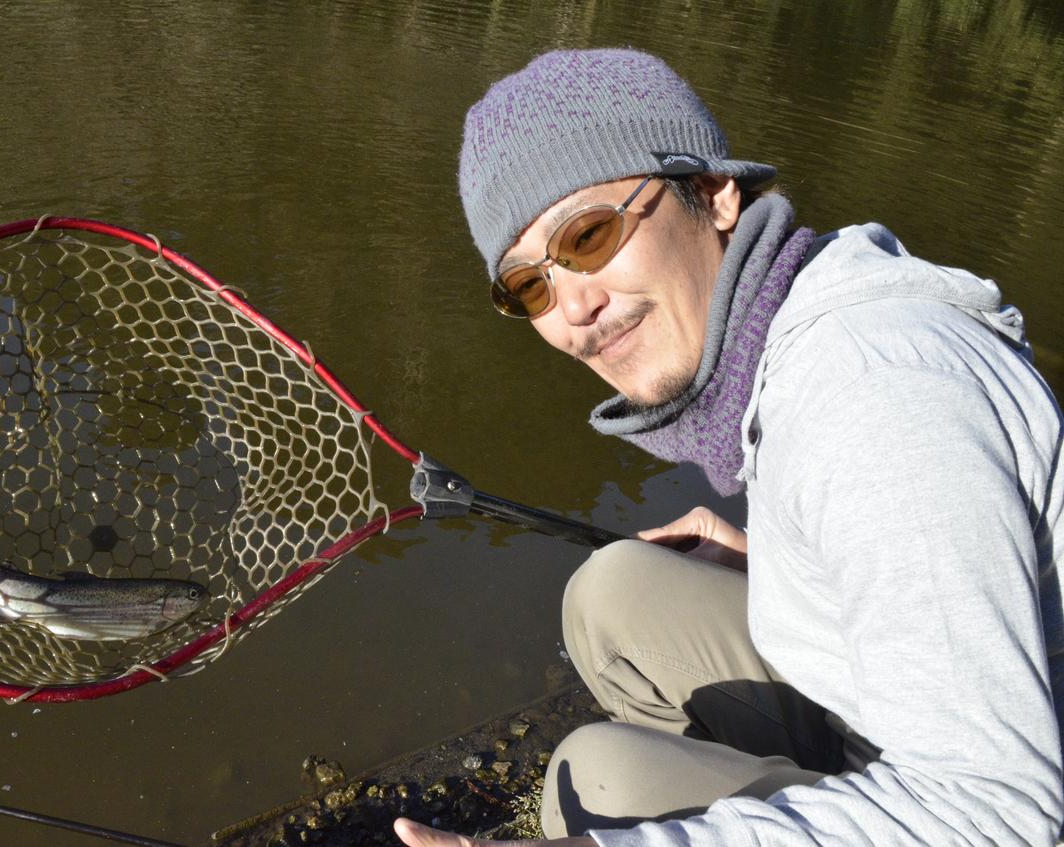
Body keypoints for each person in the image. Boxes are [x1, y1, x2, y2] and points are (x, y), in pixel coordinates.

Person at [393, 48, 1064, 846]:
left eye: (591, 233)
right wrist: (793, 566)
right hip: (896, 718)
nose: (573, 306)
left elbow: (1000, 806)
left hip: (1000, 794)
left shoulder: (870, 392)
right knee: (614, 598)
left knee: (601, 782)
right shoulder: (795, 330)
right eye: (528, 285)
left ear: (713, 194)